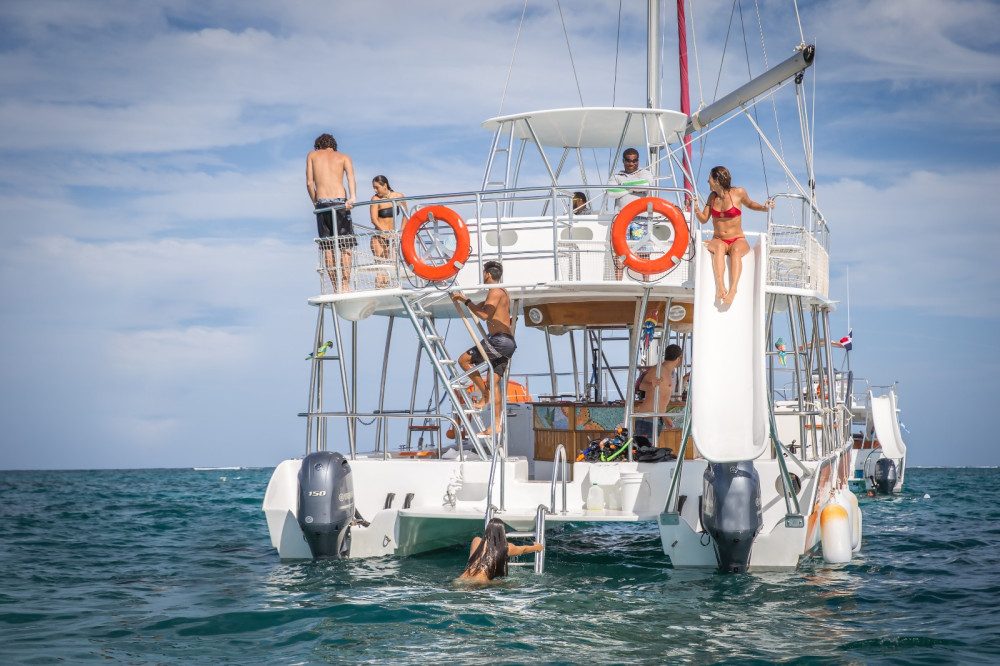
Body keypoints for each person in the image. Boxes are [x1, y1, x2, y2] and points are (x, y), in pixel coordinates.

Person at [451, 261, 516, 436]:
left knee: (464, 360)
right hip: (507, 342)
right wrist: (468, 302)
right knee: (493, 380)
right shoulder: (500, 292)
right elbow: (484, 308)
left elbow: (485, 315)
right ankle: (495, 425)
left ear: (487, 274)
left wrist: (465, 300)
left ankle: (485, 395)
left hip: (500, 341)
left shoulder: (495, 291)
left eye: (482, 272)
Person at [693, 165, 774, 305]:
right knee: (719, 248)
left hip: (737, 239)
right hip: (718, 239)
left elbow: (750, 204)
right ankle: (720, 286)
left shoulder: (738, 192)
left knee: (736, 251)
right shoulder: (712, 197)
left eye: (709, 179)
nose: (708, 182)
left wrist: (763, 208)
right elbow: (704, 219)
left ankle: (733, 290)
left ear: (716, 180)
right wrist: (696, 209)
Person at [306, 133, 357, 291]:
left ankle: (336, 287)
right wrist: (352, 198)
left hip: (322, 204)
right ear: (333, 145)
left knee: (328, 247)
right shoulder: (344, 157)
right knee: (346, 246)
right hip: (341, 202)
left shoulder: (312, 155)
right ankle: (346, 286)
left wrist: (316, 203)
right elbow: (350, 178)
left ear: (318, 145)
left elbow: (309, 183)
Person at [608, 149, 655, 280]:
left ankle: (646, 281)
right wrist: (633, 187)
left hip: (640, 218)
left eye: (634, 160)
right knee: (618, 251)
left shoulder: (644, 173)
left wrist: (623, 186)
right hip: (621, 218)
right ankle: (618, 281)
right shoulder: (616, 176)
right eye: (628, 160)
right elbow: (611, 192)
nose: (631, 163)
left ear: (638, 161)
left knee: (643, 251)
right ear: (623, 161)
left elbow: (645, 186)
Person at [458, 518, 543, 582]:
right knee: (512, 584)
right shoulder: (506, 548)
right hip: (479, 582)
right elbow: (524, 549)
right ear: (502, 532)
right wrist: (537, 547)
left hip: (460, 580)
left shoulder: (476, 541)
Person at [633, 344, 683, 444]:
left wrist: (664, 416)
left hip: (655, 417)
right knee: (645, 453)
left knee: (650, 452)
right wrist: (652, 385)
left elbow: (660, 397)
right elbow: (642, 386)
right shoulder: (658, 369)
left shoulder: (668, 372)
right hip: (647, 418)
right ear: (679, 358)